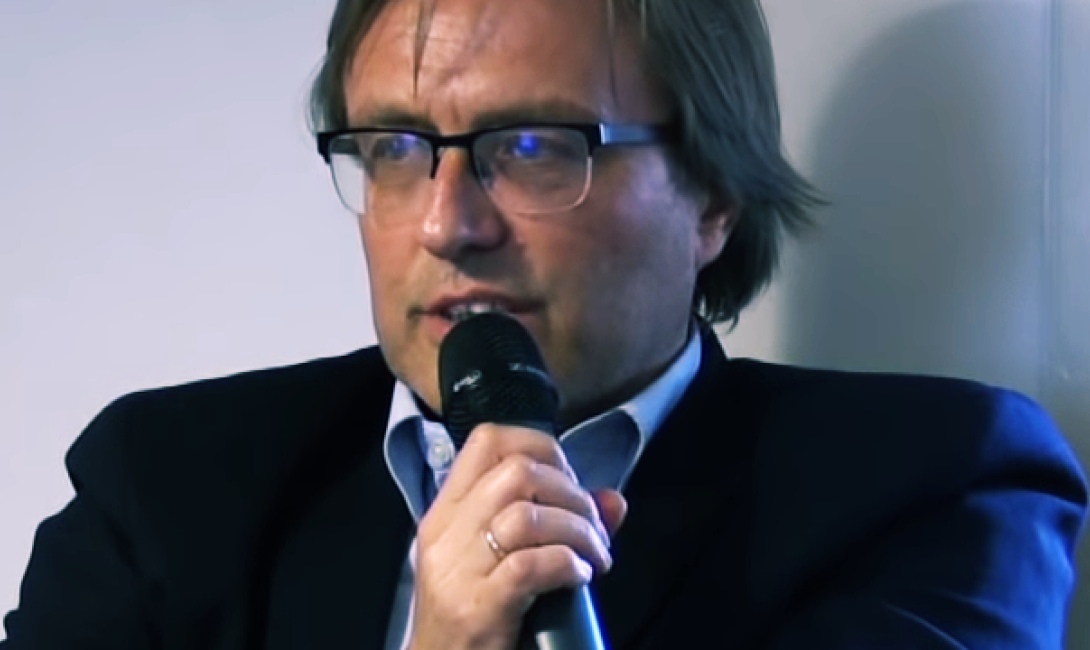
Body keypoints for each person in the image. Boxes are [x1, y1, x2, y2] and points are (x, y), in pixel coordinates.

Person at [3, 0, 1087, 648]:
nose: (447, 222)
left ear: (712, 193)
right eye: (394, 149)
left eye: (532, 148)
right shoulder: (166, 487)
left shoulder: (937, 486)